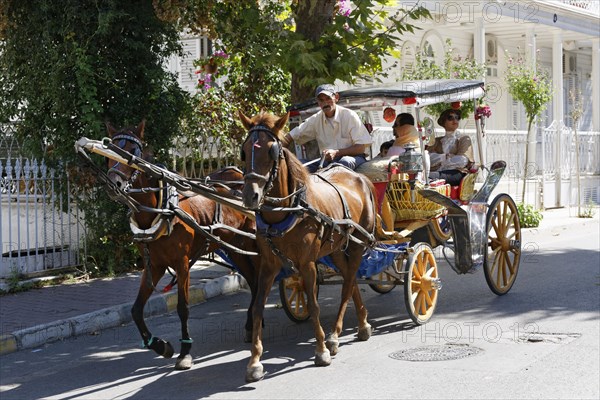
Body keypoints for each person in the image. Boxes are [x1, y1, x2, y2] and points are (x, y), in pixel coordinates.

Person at [284, 84, 372, 172]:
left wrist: (336, 152)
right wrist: (276, 148)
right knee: (297, 165)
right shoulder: (316, 119)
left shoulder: (349, 115)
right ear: (318, 102)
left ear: (336, 97)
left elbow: (360, 148)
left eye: (328, 99)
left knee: (343, 163)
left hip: (354, 158)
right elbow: (292, 135)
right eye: (321, 100)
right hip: (327, 161)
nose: (325, 103)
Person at [427, 109, 474, 186]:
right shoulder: (436, 141)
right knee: (422, 177)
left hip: (457, 173)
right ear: (443, 122)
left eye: (457, 117)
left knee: (429, 177)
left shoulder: (464, 139)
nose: (455, 120)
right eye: (450, 118)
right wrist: (445, 156)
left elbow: (462, 161)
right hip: (439, 171)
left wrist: (440, 160)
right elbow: (429, 160)